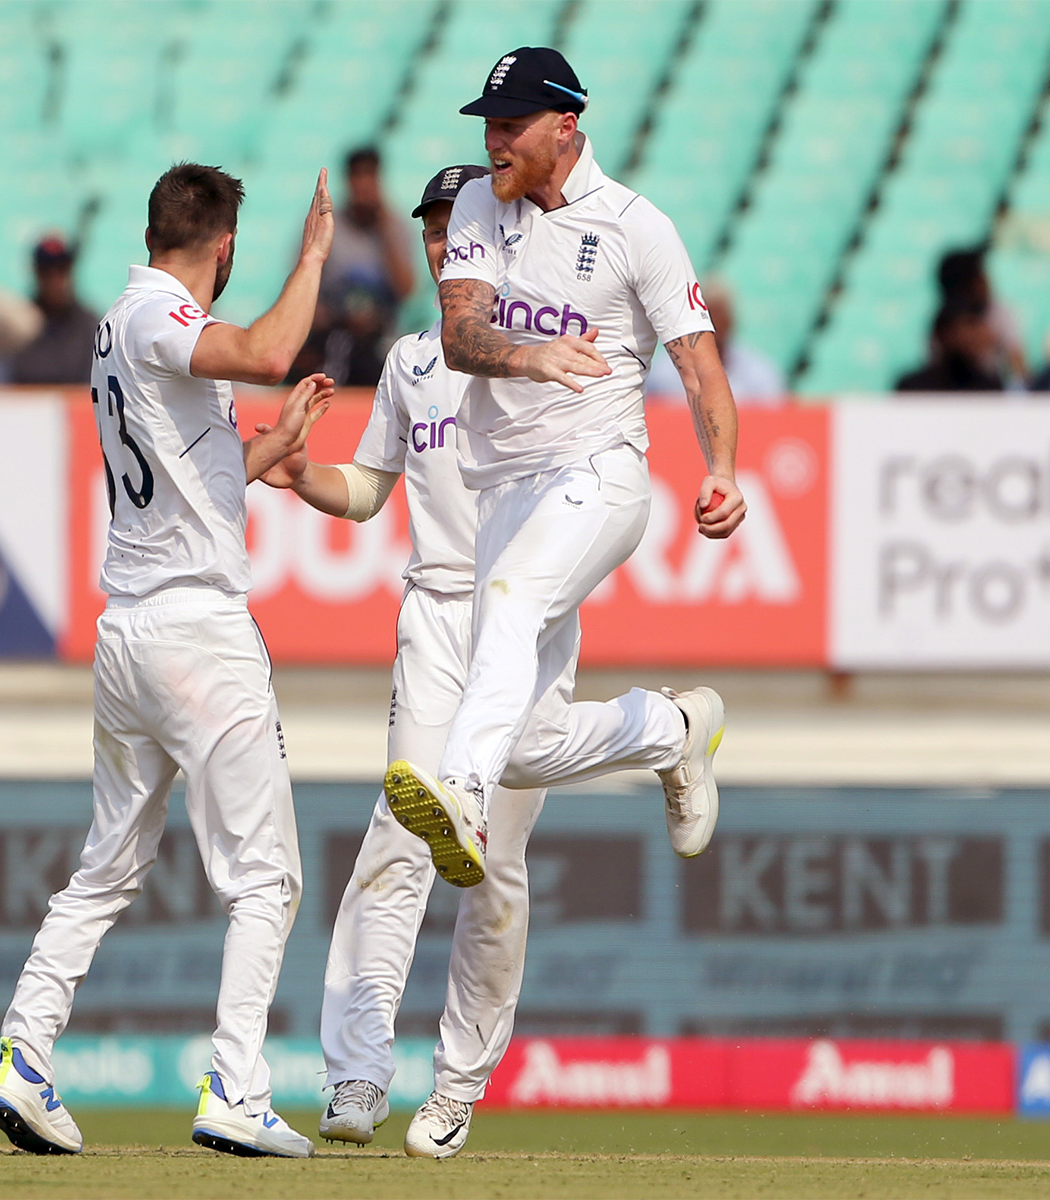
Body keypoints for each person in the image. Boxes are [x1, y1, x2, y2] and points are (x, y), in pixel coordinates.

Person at [260, 162, 719, 1158]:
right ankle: (355, 1074)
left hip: (528, 606)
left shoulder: (554, 334)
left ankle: (458, 1084)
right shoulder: (414, 361)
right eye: (429, 231)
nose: (440, 244)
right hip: (435, 609)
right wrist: (303, 479)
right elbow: (370, 488)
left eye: (451, 226)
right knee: (397, 833)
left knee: (493, 870)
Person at [0, 163, 336, 1160]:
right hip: (195, 634)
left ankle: (25, 1059)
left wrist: (275, 448)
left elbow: (193, 481)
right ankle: (236, 1088)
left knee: (105, 869)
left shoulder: (118, 326)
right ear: (223, 245)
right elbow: (268, 347)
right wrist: (313, 258)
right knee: (266, 881)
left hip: (131, 629)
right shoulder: (154, 318)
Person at [383, 51, 743, 942]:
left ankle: (456, 794)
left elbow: (698, 367)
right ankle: (673, 729)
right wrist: (530, 355)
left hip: (602, 472)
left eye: (509, 125)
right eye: (487, 125)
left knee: (506, 606)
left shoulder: (637, 228)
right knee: (532, 746)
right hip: (505, 488)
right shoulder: (477, 204)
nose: (492, 141)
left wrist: (723, 469)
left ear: (566, 127)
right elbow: (462, 334)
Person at [292, 147, 415, 386]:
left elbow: (405, 289)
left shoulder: (395, 227)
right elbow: (303, 290)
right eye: (358, 177)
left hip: (380, 336)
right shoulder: (327, 227)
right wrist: (338, 318)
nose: (364, 186)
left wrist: (383, 229)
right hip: (334, 333)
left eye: (370, 176)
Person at [643, 278, 784, 403]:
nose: (713, 326)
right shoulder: (664, 374)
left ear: (730, 321)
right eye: (708, 316)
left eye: (719, 316)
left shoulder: (759, 375)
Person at [6, 235, 100, 385]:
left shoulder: (89, 326)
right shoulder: (19, 325)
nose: (55, 280)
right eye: (47, 272)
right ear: (36, 273)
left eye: (61, 270)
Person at [936, 247, 1026, 382]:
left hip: (991, 393)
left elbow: (1019, 370)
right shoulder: (942, 321)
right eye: (979, 275)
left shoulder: (999, 312)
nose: (986, 280)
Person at [895, 300, 1004, 393]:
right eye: (970, 324)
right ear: (943, 333)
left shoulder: (990, 386)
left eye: (980, 326)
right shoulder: (913, 386)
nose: (980, 335)